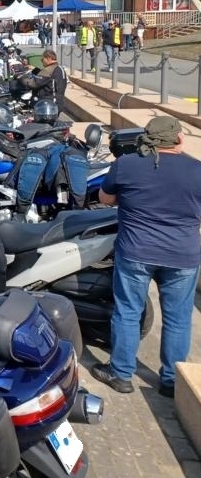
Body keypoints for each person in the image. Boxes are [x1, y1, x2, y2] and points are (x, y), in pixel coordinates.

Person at [92, 116, 201, 398]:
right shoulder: (197, 170)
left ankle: (121, 374)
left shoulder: (126, 164)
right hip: (182, 255)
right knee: (178, 319)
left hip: (136, 252)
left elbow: (105, 199)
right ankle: (170, 381)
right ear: (179, 140)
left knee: (128, 312)